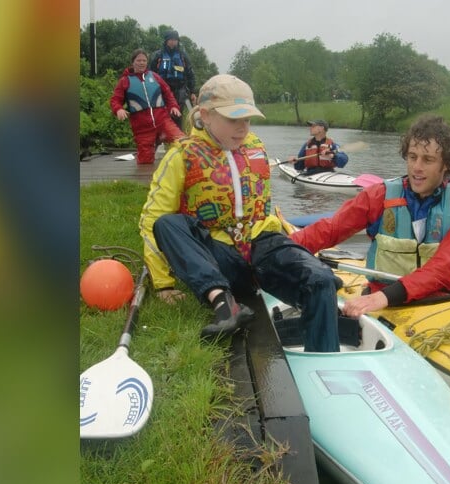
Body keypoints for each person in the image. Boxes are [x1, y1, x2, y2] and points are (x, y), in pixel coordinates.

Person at [139, 74, 341, 351]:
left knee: (321, 279)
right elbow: (151, 220)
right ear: (206, 115)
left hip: (261, 243)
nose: (243, 128)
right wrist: (163, 284)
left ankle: (324, 359)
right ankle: (224, 303)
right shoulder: (181, 156)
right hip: (219, 254)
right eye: (233, 120)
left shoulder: (256, 147)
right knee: (167, 224)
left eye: (247, 119)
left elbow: (261, 201)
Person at [291, 115, 450, 318]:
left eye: (428, 160)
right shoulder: (378, 196)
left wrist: (384, 297)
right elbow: (329, 230)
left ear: (446, 165)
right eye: (412, 156)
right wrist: (280, 247)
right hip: (385, 301)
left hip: (440, 302)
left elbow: (445, 268)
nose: (417, 167)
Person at [109, 49, 185, 165]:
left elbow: (168, 93)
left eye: (144, 60)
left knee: (183, 142)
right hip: (142, 127)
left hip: (163, 121)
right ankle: (147, 181)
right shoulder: (125, 81)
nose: (141, 63)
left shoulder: (155, 76)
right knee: (145, 161)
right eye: (138, 60)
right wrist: (118, 109)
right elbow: (115, 100)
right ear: (133, 62)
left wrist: (173, 106)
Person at [149, 29, 197, 129]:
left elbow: (190, 73)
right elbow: (151, 73)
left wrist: (192, 91)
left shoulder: (183, 55)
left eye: (175, 40)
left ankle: (177, 138)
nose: (173, 42)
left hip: (179, 89)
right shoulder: (158, 55)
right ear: (166, 41)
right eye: (171, 39)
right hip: (162, 89)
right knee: (162, 115)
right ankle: (162, 140)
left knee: (177, 116)